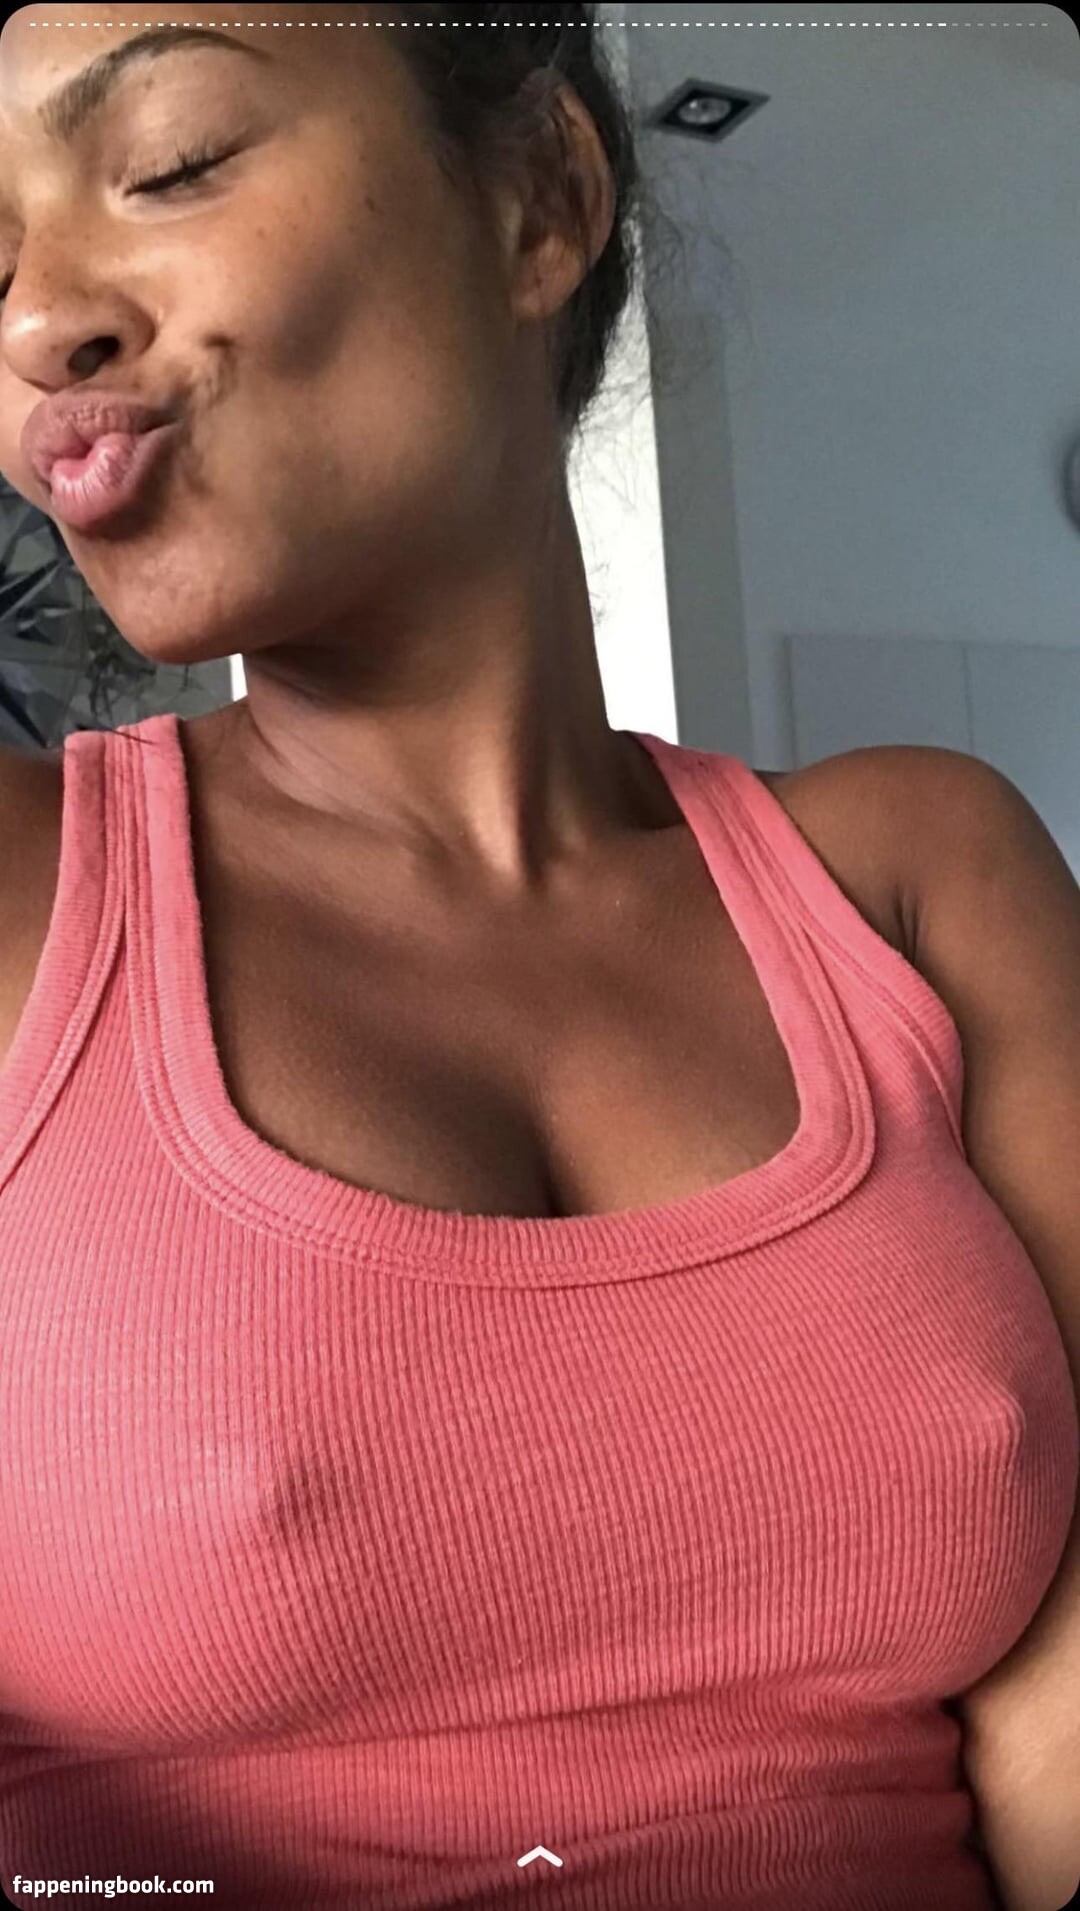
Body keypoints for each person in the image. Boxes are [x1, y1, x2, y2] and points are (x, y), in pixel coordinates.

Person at [0, 7, 1077, 1909]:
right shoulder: (30, 909)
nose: (36, 323)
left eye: (167, 164)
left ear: (541, 198)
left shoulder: (923, 879)